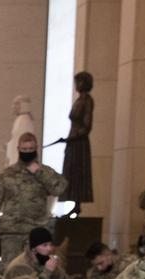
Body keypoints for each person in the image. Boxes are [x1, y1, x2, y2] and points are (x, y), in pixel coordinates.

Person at [0, 132, 67, 264]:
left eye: (31, 149)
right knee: (10, 268)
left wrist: (39, 173)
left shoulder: (45, 172)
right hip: (11, 231)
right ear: (18, 149)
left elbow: (59, 189)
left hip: (36, 230)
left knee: (35, 269)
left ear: (36, 149)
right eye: (24, 149)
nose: (27, 152)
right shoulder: (7, 174)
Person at [3, 226, 92, 279]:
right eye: (44, 245)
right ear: (34, 249)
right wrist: (47, 272)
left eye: (50, 245)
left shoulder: (46, 260)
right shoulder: (19, 267)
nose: (49, 249)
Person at [60, 72, 95, 212]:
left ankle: (77, 205)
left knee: (78, 172)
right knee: (70, 172)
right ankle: (73, 203)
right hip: (73, 141)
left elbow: (87, 125)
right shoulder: (79, 100)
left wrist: (74, 137)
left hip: (79, 142)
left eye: (79, 82)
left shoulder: (87, 100)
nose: (76, 85)